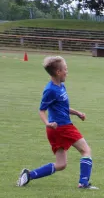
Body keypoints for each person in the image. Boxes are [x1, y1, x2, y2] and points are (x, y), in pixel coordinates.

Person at [16, 56, 98, 189]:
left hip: (57, 129)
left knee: (61, 164)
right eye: (65, 69)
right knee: (86, 150)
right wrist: (47, 123)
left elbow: (62, 107)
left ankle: (29, 175)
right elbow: (41, 110)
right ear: (58, 72)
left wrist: (77, 113)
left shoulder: (61, 86)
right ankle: (83, 183)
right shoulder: (50, 90)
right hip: (62, 127)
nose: (67, 72)